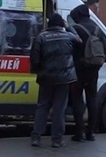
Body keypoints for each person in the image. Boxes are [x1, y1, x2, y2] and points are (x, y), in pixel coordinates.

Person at [29, 13, 79, 148]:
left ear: (49, 24)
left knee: (42, 107)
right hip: (64, 79)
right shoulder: (68, 36)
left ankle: (36, 137)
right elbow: (79, 41)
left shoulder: (41, 37)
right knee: (59, 109)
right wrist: (69, 27)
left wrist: (38, 71)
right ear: (61, 24)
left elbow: (34, 58)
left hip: (46, 78)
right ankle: (57, 140)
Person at [67, 4, 106, 143]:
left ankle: (79, 133)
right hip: (94, 70)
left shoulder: (77, 29)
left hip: (78, 70)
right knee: (92, 99)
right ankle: (91, 132)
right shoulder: (98, 30)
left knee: (77, 100)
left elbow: (70, 49)